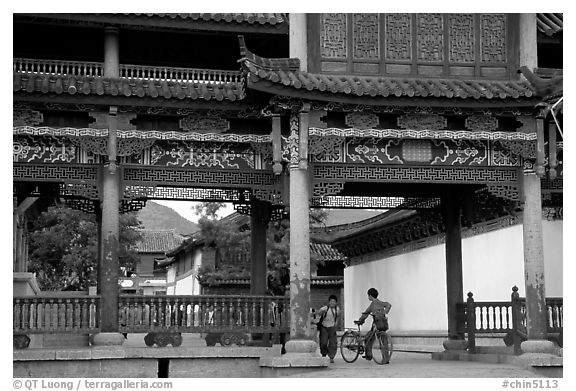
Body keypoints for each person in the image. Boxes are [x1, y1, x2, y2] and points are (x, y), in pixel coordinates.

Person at [355, 288, 391, 361]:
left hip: (376, 325)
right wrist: (384, 313)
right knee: (384, 341)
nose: (368, 297)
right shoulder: (380, 302)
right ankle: (386, 358)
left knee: (368, 337)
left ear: (370, 296)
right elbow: (389, 305)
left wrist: (360, 320)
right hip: (383, 324)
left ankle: (369, 355)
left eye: (368, 296)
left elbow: (366, 313)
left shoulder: (372, 304)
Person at [316, 295, 341, 363]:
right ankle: (324, 354)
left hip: (332, 327)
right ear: (329, 302)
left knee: (333, 343)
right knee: (323, 342)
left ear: (336, 303)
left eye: (334, 302)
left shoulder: (337, 309)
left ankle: (331, 357)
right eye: (331, 301)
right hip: (324, 327)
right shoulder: (324, 308)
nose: (332, 303)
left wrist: (336, 323)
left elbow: (338, 317)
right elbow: (318, 314)